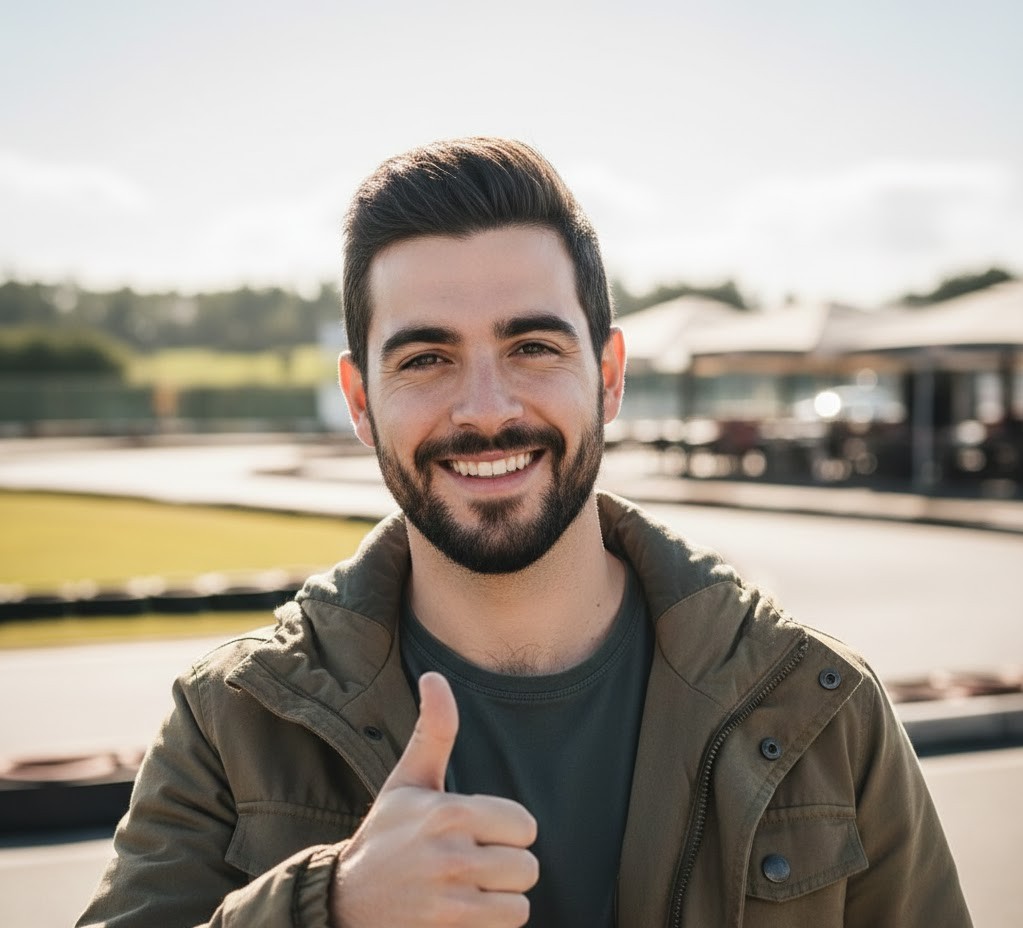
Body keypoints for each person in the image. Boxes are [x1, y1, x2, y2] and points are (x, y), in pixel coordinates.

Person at [78, 137, 972, 928]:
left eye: (532, 348)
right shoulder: (233, 719)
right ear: (360, 401)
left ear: (608, 375)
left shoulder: (822, 709)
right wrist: (331, 911)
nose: (485, 410)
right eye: (426, 358)